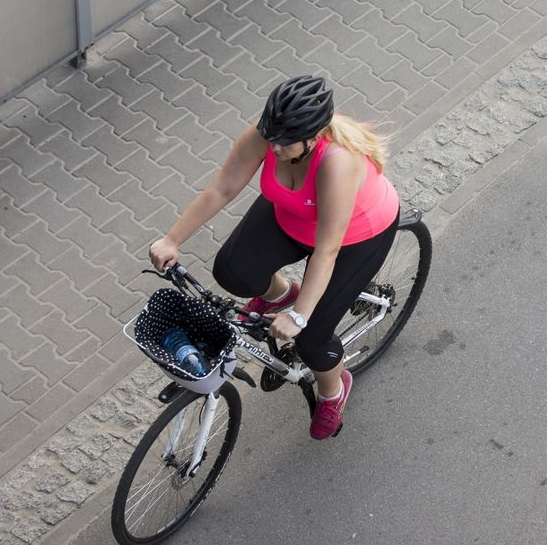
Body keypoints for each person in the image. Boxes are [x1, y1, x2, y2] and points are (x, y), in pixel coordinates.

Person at [148, 75, 400, 439]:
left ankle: (333, 390)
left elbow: (327, 249)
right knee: (233, 271)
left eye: (284, 142)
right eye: (270, 136)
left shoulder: (338, 162)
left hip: (355, 236)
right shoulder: (268, 134)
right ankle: (281, 293)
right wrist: (172, 239)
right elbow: (223, 187)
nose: (274, 147)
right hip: (293, 215)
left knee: (312, 338)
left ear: (312, 138)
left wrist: (300, 316)